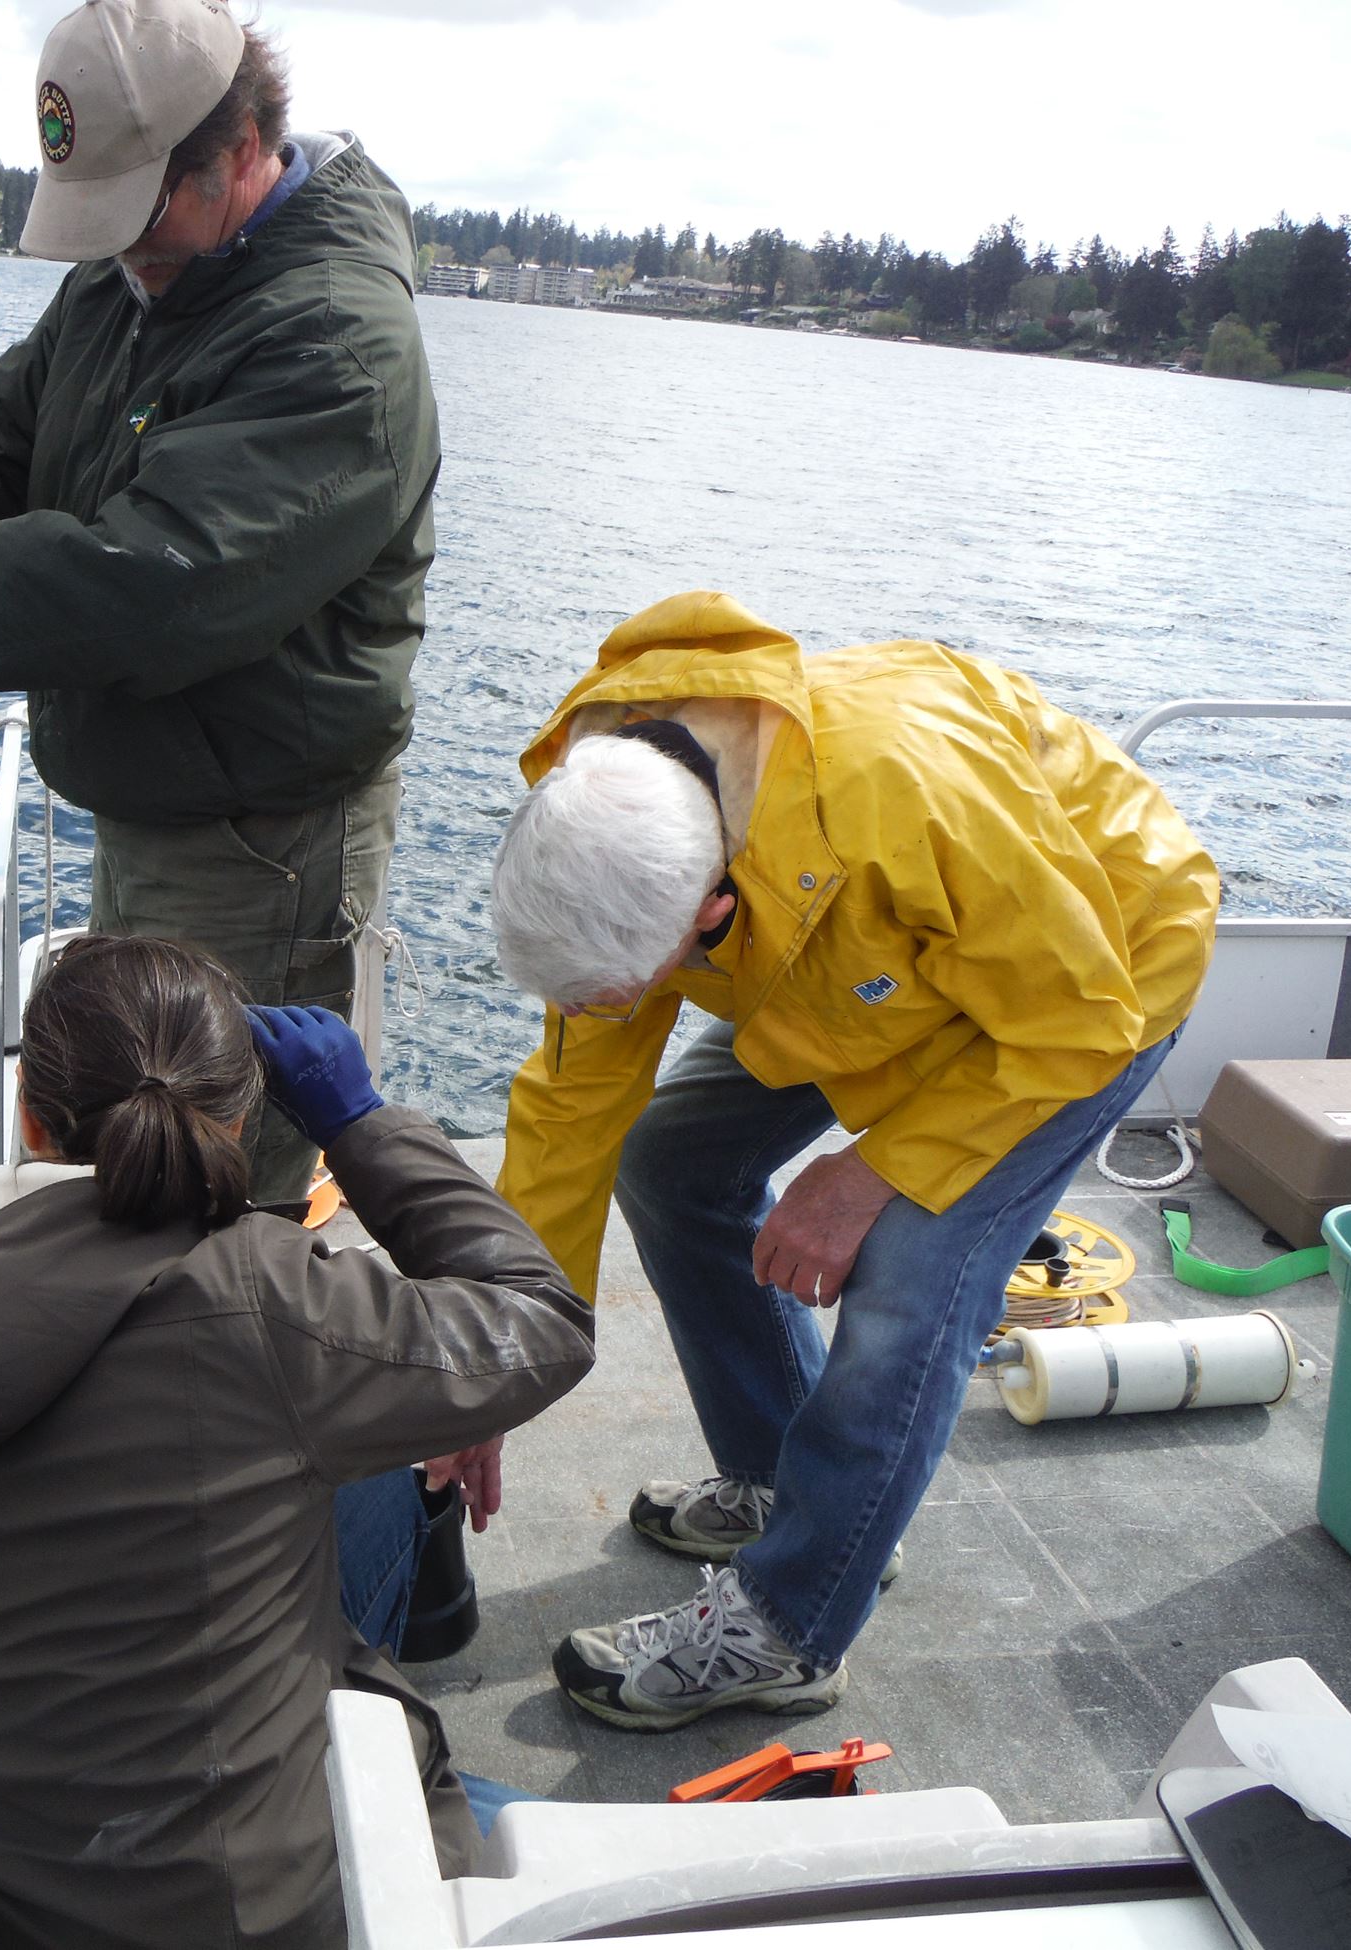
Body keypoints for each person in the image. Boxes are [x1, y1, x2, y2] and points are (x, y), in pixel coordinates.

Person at [0, 0, 442, 1219]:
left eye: (135, 215)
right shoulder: (135, 278)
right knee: (141, 1142)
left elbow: (148, 583)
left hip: (259, 846)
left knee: (224, 1180)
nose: (119, 253)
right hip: (159, 795)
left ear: (233, 153)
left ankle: (231, 1384)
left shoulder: (334, 340)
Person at [487, 590, 1218, 1732]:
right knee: (669, 1160)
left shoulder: (902, 790)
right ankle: (787, 1488)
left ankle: (787, 1625)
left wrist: (867, 1172)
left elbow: (1075, 1018)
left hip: (1094, 979)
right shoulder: (621, 814)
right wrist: (489, 1362)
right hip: (886, 966)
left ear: (710, 904)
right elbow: (569, 1114)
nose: (616, 1014)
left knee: (911, 1279)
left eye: (635, 987)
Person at [0, 935, 591, 1950]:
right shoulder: (272, 1299)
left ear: (30, 1122)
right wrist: (358, 1124)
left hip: (14, 1895)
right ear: (238, 1123)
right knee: (384, 1491)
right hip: (268, 1907)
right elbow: (539, 1322)